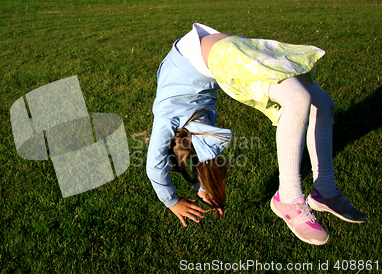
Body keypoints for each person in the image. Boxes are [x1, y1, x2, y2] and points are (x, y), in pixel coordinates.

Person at [146, 23, 366, 245]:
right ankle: (307, 194)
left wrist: (171, 201)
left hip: (226, 51)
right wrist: (202, 187)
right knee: (311, 102)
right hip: (226, 48)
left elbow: (154, 164)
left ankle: (306, 195)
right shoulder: (192, 120)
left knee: (310, 102)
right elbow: (201, 154)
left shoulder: (167, 115)